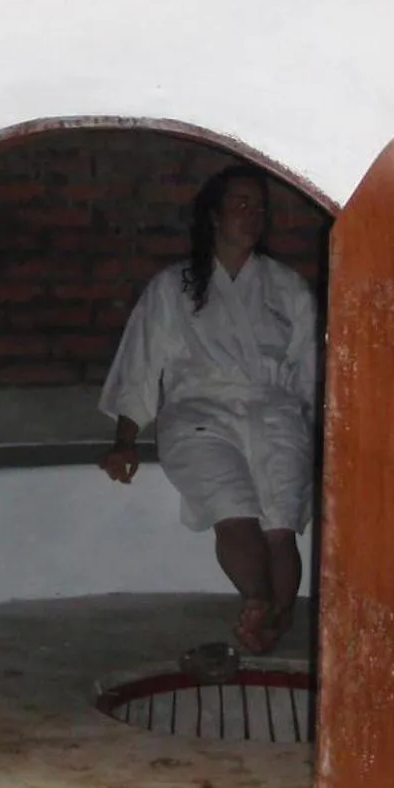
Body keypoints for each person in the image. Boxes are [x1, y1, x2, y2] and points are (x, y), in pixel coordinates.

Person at [97, 163, 319, 655]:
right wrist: (125, 440)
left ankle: (278, 620)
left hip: (275, 409)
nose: (251, 215)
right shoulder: (173, 287)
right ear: (214, 215)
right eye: (240, 204)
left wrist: (320, 437)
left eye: (259, 207)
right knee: (233, 508)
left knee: (281, 523)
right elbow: (142, 360)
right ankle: (259, 603)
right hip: (200, 410)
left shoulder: (287, 288)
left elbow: (309, 374)